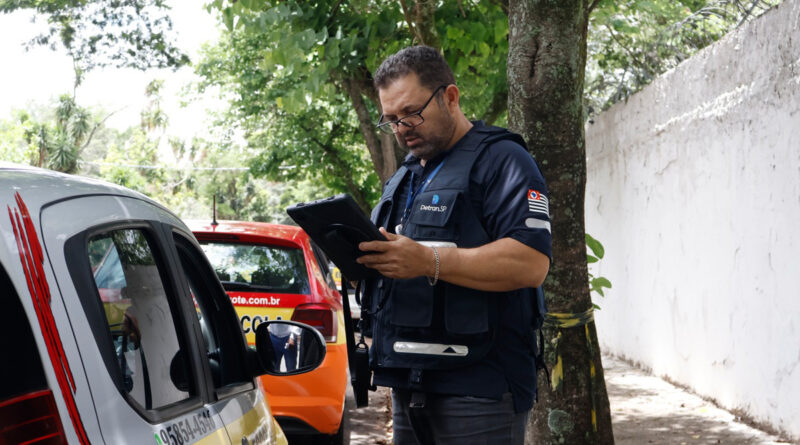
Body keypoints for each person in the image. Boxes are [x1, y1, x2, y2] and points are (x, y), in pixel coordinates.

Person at [356, 46, 552, 445]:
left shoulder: (503, 160)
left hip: (481, 387)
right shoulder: (406, 176)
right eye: (391, 119)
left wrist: (428, 260)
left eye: (411, 112)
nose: (402, 128)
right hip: (409, 381)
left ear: (450, 97)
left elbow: (530, 263)